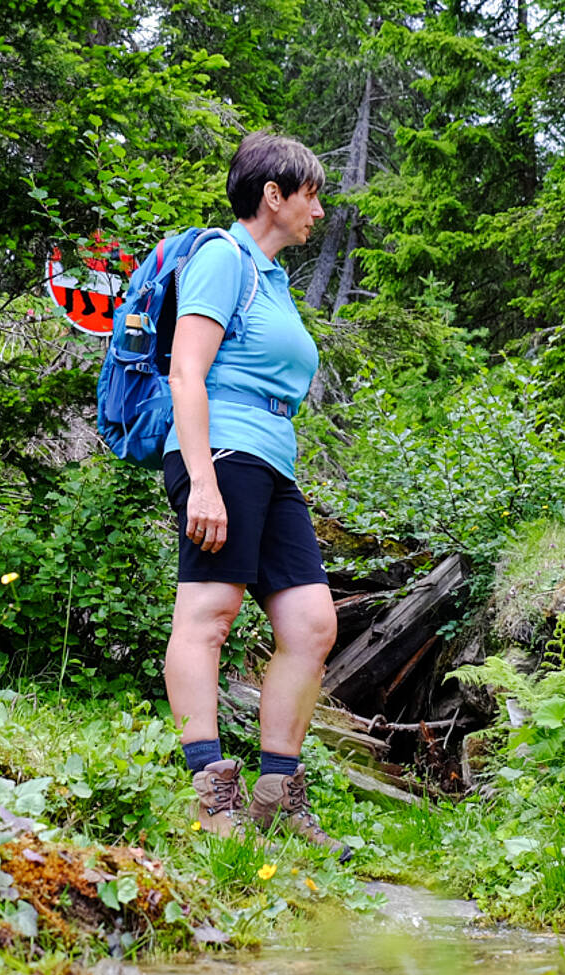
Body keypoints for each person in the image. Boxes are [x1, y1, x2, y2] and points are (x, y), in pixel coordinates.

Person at [162, 132, 347, 857]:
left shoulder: (269, 277)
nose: (320, 211)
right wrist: (202, 479)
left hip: (272, 463)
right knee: (209, 612)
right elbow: (186, 371)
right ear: (274, 195)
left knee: (311, 624)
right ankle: (210, 792)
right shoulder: (223, 258)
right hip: (223, 452)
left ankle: (276, 794)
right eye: (312, 195)